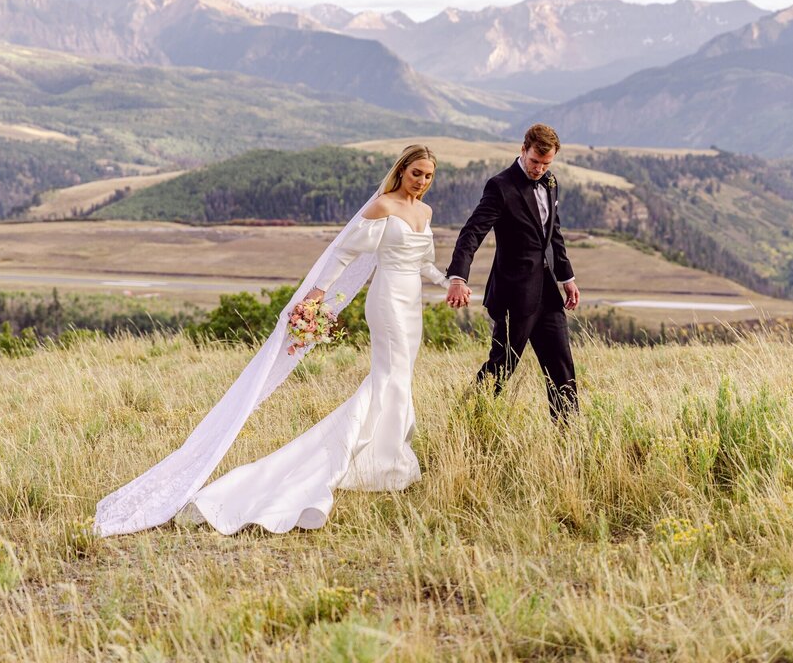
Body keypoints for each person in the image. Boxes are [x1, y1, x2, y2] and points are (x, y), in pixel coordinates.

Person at [94, 145, 449, 536]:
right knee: (389, 377)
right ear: (401, 171)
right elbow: (345, 254)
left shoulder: (425, 213)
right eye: (416, 173)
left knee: (399, 377)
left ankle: (384, 460)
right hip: (385, 302)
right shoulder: (383, 206)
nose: (422, 181)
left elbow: (424, 261)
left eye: (429, 176)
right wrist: (318, 293)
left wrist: (450, 282)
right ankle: (375, 462)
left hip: (411, 302)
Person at [445, 124, 580, 422]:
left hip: (548, 294)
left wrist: (566, 278)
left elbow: (552, 234)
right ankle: (466, 421)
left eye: (546, 164)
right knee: (502, 366)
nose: (539, 169)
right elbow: (472, 233)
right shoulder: (500, 186)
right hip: (514, 295)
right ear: (523, 149)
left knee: (562, 368)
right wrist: (458, 277)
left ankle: (569, 436)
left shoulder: (551, 181)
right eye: (535, 161)